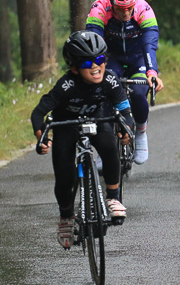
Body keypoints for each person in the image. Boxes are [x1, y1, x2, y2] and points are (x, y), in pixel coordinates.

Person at [31, 31, 132, 248]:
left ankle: (113, 196)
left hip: (96, 118)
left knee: (108, 147)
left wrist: (126, 130)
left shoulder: (110, 80)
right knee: (65, 176)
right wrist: (41, 137)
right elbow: (38, 114)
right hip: (66, 125)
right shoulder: (66, 85)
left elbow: (125, 112)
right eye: (88, 62)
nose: (96, 66)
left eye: (100, 59)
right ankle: (66, 217)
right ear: (75, 68)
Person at [86, 0, 164, 165]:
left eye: (129, 7)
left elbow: (149, 45)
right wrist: (96, 70)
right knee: (106, 90)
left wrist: (152, 72)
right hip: (112, 58)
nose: (127, 13)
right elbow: (94, 44)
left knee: (138, 93)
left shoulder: (144, 9)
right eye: (121, 9)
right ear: (111, 2)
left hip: (138, 57)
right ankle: (104, 146)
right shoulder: (99, 8)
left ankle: (141, 132)